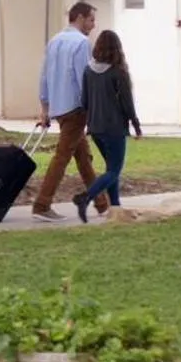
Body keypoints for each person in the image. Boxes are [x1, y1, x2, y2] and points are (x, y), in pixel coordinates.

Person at [32, 1, 108, 221]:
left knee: (83, 157)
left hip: (59, 106)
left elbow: (44, 76)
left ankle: (102, 204)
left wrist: (45, 107)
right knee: (62, 157)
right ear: (81, 18)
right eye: (91, 19)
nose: (93, 25)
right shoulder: (82, 43)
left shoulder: (54, 41)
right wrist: (94, 109)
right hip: (76, 108)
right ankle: (42, 204)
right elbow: (85, 78)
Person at [74, 30, 143, 222]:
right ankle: (86, 197)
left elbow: (84, 101)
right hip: (114, 127)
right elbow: (127, 102)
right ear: (117, 48)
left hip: (95, 127)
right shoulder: (118, 71)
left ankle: (115, 207)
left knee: (110, 168)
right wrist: (135, 125)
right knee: (114, 170)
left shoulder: (88, 70)